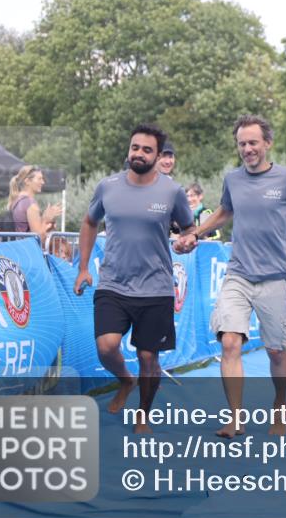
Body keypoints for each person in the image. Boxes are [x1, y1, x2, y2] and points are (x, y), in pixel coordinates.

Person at [173, 115, 286, 438]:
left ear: (267, 143)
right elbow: (225, 211)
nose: (247, 149)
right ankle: (235, 418)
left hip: (275, 277)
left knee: (276, 350)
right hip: (238, 273)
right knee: (229, 342)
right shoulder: (233, 179)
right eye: (242, 144)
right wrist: (195, 234)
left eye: (253, 142)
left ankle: (279, 407)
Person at [73, 124, 195, 433]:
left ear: (158, 156)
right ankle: (126, 380)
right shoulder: (108, 186)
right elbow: (89, 222)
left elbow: (189, 228)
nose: (139, 153)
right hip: (113, 283)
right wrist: (84, 268)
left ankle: (143, 413)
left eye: (147, 150)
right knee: (106, 347)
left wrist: (188, 239)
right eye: (135, 147)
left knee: (147, 356)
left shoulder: (172, 191)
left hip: (155, 287)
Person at [7, 165, 63, 240]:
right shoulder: (30, 204)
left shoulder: (16, 200)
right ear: (27, 181)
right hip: (28, 249)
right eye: (39, 179)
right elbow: (38, 237)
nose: (43, 182)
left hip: (19, 247)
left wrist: (44, 218)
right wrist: (46, 219)